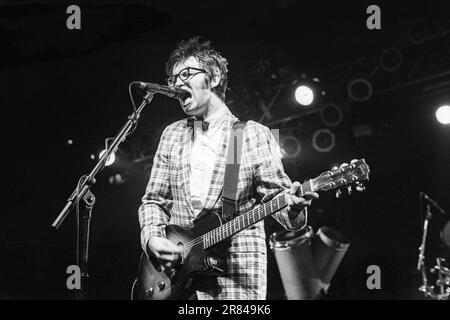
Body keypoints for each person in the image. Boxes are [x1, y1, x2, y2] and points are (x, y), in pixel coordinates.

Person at [138, 37, 319, 300]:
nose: (176, 83)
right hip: (175, 284)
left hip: (235, 281)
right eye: (172, 78)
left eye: (186, 74)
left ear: (213, 77)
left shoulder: (252, 135)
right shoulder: (171, 135)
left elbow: (280, 204)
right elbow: (153, 201)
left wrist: (294, 207)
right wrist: (153, 239)